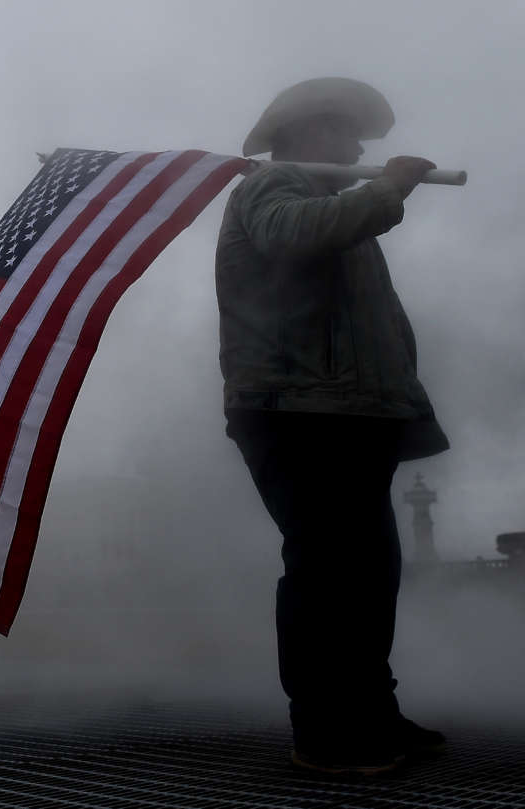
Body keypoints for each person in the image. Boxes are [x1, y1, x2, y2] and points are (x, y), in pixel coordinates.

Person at [217, 77, 449, 776]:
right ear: (306, 132)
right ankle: (323, 727)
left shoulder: (331, 202)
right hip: (297, 411)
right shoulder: (275, 185)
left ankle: (371, 710)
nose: (356, 148)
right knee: (324, 569)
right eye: (345, 133)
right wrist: (388, 191)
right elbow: (293, 238)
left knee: (370, 570)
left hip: (352, 414)